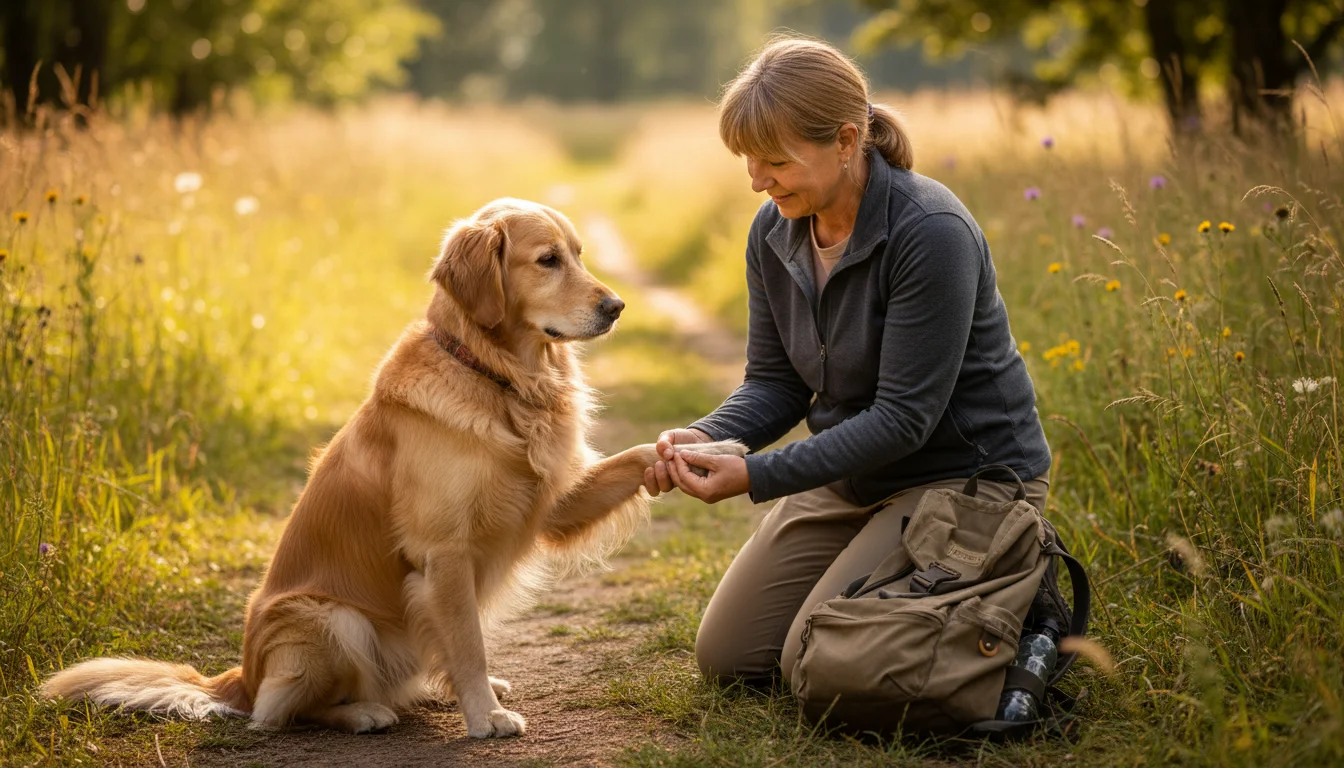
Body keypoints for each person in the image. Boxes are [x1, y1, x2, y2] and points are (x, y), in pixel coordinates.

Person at [641, 38, 1053, 687]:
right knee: (730, 659)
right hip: (853, 477)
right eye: (749, 160)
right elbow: (774, 383)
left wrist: (755, 475)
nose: (757, 179)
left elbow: (903, 420)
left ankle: (1018, 606)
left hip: (963, 482)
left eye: (776, 160)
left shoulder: (930, 231)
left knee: (821, 663)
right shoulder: (773, 231)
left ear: (845, 139)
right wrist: (708, 434)